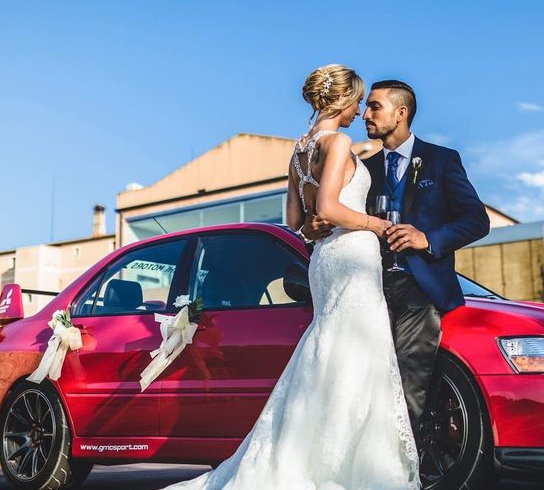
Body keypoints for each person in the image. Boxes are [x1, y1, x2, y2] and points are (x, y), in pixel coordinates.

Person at [164, 64, 419, 490]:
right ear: (342, 100)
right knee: (356, 357)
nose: (360, 110)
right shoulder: (337, 142)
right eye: (358, 101)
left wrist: (318, 228)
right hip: (352, 259)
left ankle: (317, 457)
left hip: (324, 260)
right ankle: (345, 468)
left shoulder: (299, 150)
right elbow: (332, 207)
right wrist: (377, 226)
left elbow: (296, 223)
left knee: (329, 353)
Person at [305, 79, 490, 454]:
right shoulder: (362, 166)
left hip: (420, 288)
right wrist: (318, 225)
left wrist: (428, 239)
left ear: (400, 113)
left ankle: (397, 464)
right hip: (365, 287)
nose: (365, 114)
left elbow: (476, 220)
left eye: (374, 107)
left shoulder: (442, 159)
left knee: (408, 381)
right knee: (360, 380)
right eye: (366, 107)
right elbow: (326, 215)